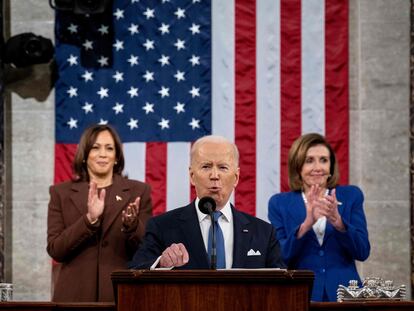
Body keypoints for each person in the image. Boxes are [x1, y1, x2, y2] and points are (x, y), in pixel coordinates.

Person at [128, 135, 285, 270]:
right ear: (192, 176)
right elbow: (136, 270)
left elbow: (281, 286)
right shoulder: (162, 227)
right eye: (206, 166)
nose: (214, 175)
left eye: (223, 167)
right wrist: (161, 263)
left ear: (236, 177)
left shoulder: (263, 233)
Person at [47, 124, 152, 302]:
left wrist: (132, 226)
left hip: (121, 295)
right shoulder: (60, 193)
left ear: (116, 156)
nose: (103, 154)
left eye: (109, 148)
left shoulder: (138, 192)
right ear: (85, 154)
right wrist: (89, 220)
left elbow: (147, 251)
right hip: (74, 298)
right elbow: (56, 249)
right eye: (95, 148)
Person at [268, 133, 370, 302]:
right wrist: (307, 224)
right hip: (299, 296)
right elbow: (279, 258)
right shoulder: (279, 203)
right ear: (298, 167)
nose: (318, 167)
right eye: (309, 161)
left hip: (344, 296)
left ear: (331, 166)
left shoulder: (351, 196)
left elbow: (362, 251)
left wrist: (340, 224)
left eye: (323, 160)